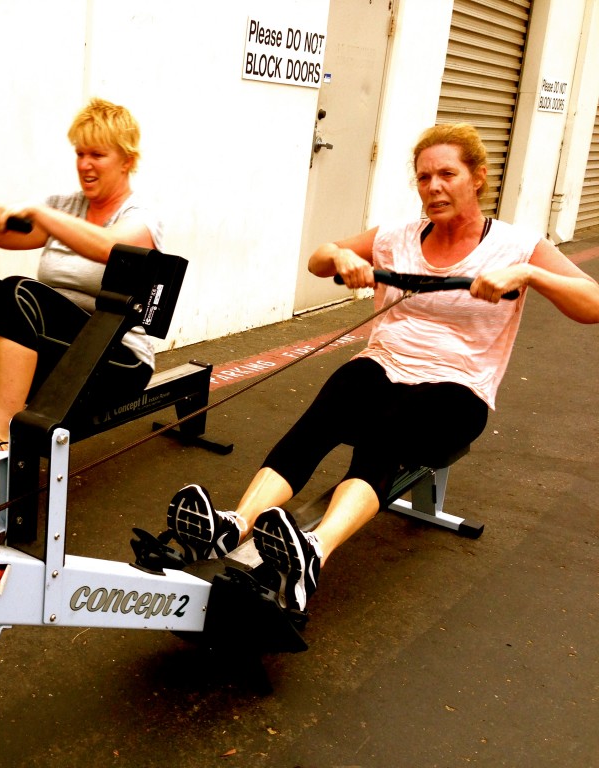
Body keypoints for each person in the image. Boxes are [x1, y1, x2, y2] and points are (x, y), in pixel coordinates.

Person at [165, 122, 599, 614]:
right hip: (383, 365)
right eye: (423, 177)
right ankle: (234, 525)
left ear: (477, 177)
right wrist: (342, 258)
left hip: (458, 389)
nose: (433, 187)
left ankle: (314, 551)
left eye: (447, 174)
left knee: (385, 430)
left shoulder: (517, 246)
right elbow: (319, 258)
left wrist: (530, 273)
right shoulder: (397, 237)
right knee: (329, 406)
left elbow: (592, 304)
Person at [0, 97, 163, 450]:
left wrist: (41, 214)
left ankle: (3, 442)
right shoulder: (66, 205)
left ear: (127, 160)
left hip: (116, 363)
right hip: (57, 352)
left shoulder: (140, 217)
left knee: (18, 292)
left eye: (97, 155)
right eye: (80, 154)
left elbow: (108, 246)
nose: (85, 165)